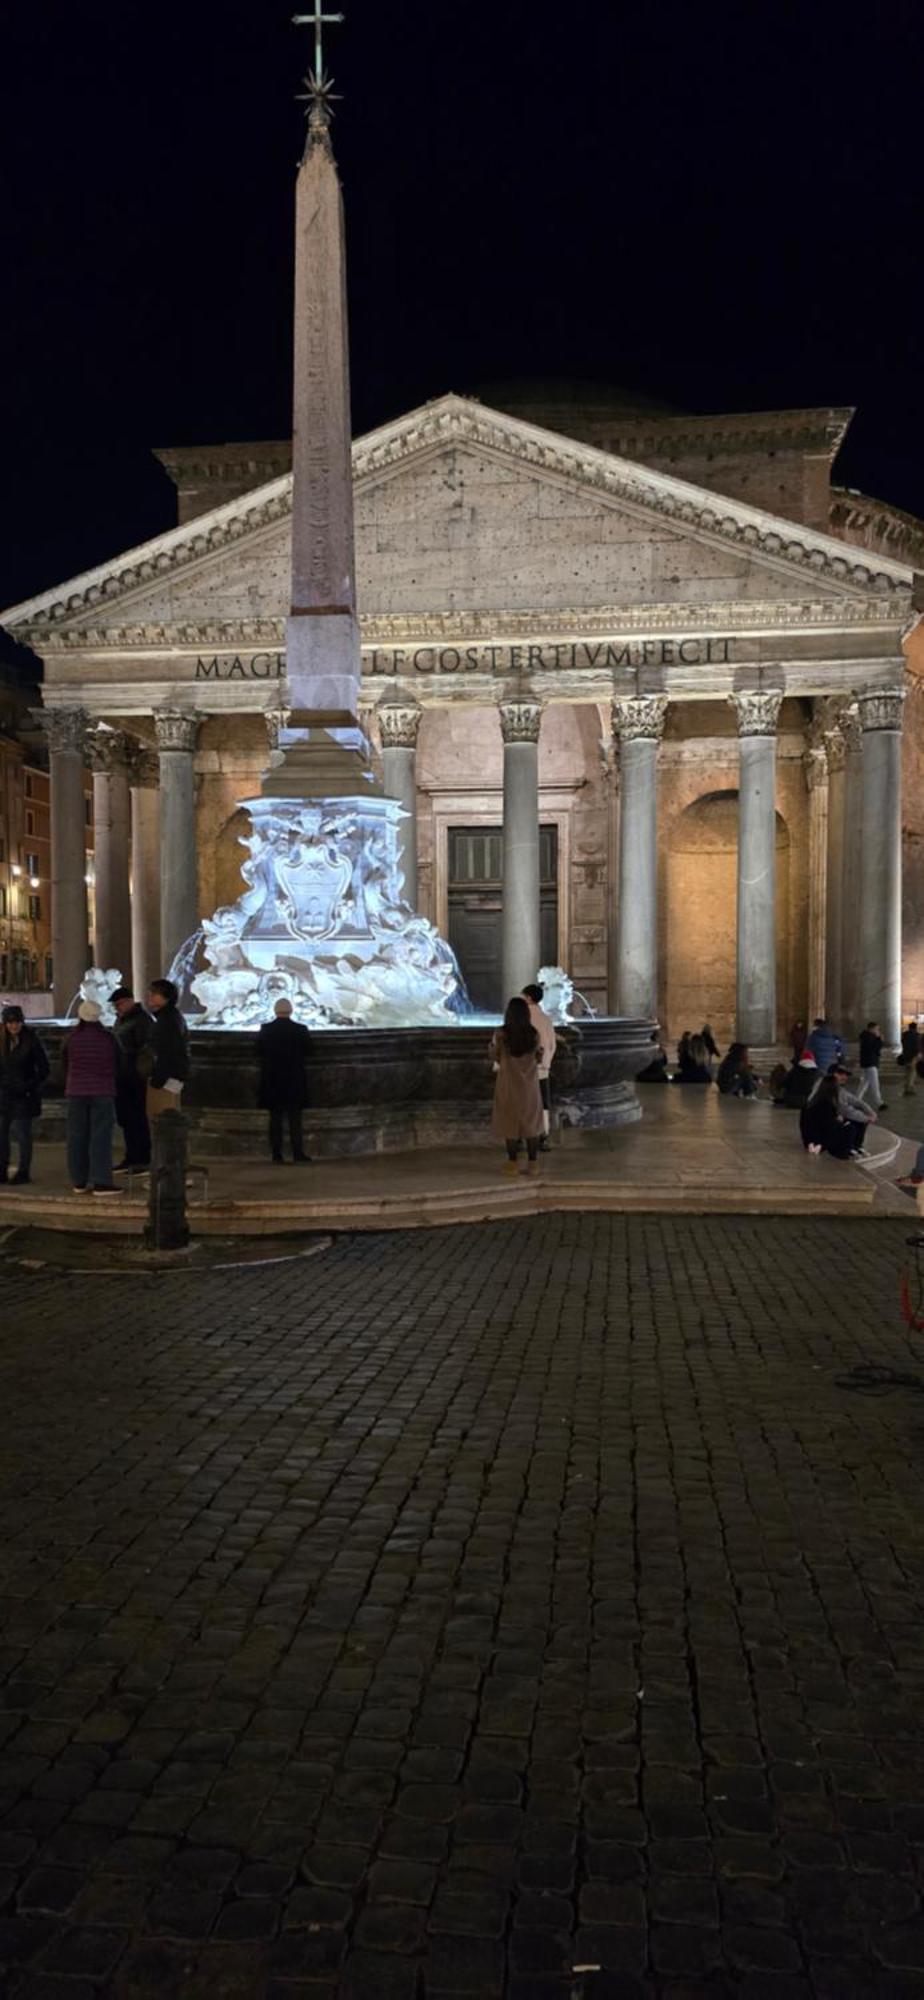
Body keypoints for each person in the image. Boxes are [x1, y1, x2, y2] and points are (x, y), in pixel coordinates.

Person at [63, 1000, 117, 1194]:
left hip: (76, 1091)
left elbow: (65, 1064)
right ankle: (101, 1181)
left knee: (76, 1135)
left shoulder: (72, 1038)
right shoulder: (107, 1038)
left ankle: (78, 1180)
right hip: (102, 1090)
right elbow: (117, 1063)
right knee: (100, 1137)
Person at [491, 996, 543, 1175]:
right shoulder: (533, 1034)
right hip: (529, 1085)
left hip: (508, 1084)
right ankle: (533, 1163)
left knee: (509, 1124)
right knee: (531, 1124)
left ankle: (512, 1163)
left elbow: (495, 1055)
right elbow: (538, 1056)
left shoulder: (501, 1034)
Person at [257, 998, 312, 1164]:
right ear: (291, 1011)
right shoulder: (300, 1029)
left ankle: (276, 1154)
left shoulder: (266, 1029)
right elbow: (310, 1050)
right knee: (295, 1120)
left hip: (273, 1080)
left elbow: (257, 1050)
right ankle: (297, 1153)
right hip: (294, 1080)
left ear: (275, 1011)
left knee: (275, 1119)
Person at [0, 1005, 50, 1186]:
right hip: (4, 1094)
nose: (14, 1026)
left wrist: (29, 1086)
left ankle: (23, 1171)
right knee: (2, 1134)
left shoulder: (31, 1040)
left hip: (24, 1094)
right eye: (10, 1022)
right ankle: (2, 1169)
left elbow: (44, 1069)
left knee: (23, 1135)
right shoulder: (2, 1040)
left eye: (17, 1022)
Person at [110, 985, 155, 1173]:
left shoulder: (141, 1020)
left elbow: (146, 1049)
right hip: (121, 1075)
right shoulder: (121, 1020)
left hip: (134, 1076)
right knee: (126, 1118)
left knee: (137, 1118)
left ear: (129, 1001)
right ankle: (131, 1156)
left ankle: (142, 1158)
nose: (117, 1008)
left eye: (119, 1004)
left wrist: (136, 1066)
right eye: (115, 1005)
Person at [146, 979, 189, 1122]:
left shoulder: (167, 1020)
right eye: (150, 992)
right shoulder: (171, 1017)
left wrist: (157, 1080)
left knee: (163, 1120)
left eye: (155, 993)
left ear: (167, 997)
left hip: (167, 1080)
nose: (150, 996)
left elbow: (167, 1051)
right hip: (172, 1077)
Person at [522, 982, 557, 1151]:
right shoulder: (545, 1018)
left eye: (523, 996)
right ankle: (543, 1137)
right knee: (543, 1103)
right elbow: (551, 1044)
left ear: (528, 998)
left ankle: (521, 1137)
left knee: (522, 1102)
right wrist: (546, 1063)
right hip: (542, 1069)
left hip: (522, 1069)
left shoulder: (521, 1017)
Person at [800, 1073, 854, 1159]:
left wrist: (809, 1141)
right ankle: (841, 1153)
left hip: (809, 1137)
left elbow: (805, 1123)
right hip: (823, 1138)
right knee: (849, 1127)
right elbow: (828, 1126)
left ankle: (813, 1144)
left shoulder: (811, 1102)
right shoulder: (828, 1104)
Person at [857, 1020, 886, 1113]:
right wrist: (879, 1039)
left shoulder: (866, 1036)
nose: (878, 1031)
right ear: (871, 1029)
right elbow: (874, 1048)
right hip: (870, 1062)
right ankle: (879, 1103)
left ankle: (857, 1100)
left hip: (867, 1062)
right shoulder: (869, 1037)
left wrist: (878, 1039)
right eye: (877, 1029)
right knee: (874, 1084)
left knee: (864, 1084)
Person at [901, 1017, 920, 1096]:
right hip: (913, 1057)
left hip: (905, 1056)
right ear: (915, 1028)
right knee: (912, 1073)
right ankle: (909, 1089)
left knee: (907, 1073)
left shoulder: (904, 1035)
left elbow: (903, 1044)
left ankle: (907, 1088)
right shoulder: (917, 1035)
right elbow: (917, 1047)